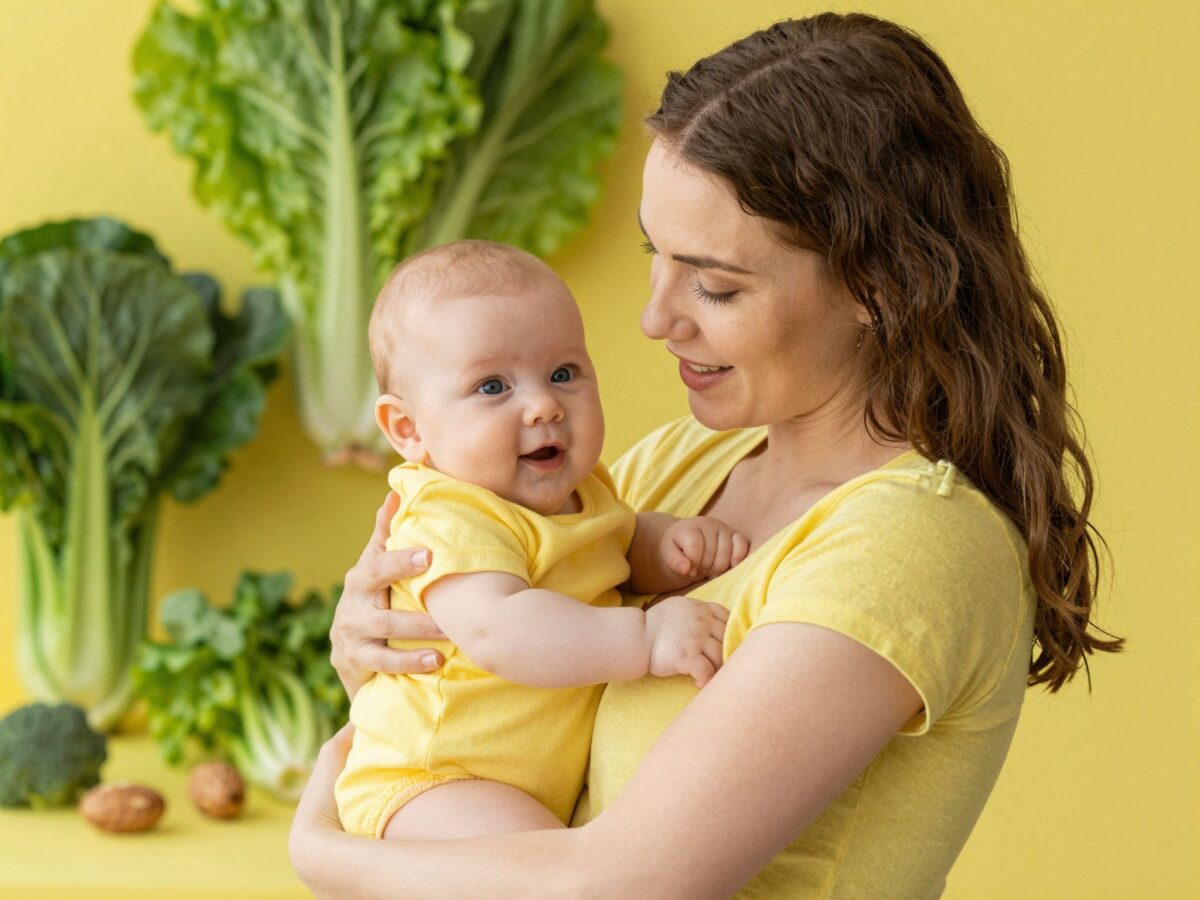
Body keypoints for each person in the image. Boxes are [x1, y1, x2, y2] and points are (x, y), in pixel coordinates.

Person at [290, 12, 1123, 897]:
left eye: (715, 285)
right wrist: (378, 642)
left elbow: (618, 887)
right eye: (656, 255)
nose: (656, 319)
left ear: (879, 285)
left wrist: (324, 852)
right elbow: (475, 681)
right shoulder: (667, 468)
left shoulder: (912, 546)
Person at [336, 239, 744, 842]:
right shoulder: (450, 511)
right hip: (433, 783)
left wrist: (664, 547)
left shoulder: (586, 489)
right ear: (409, 428)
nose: (543, 406)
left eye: (562, 373)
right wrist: (648, 636)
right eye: (493, 387)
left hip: (516, 787)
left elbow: (614, 551)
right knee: (546, 868)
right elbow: (504, 630)